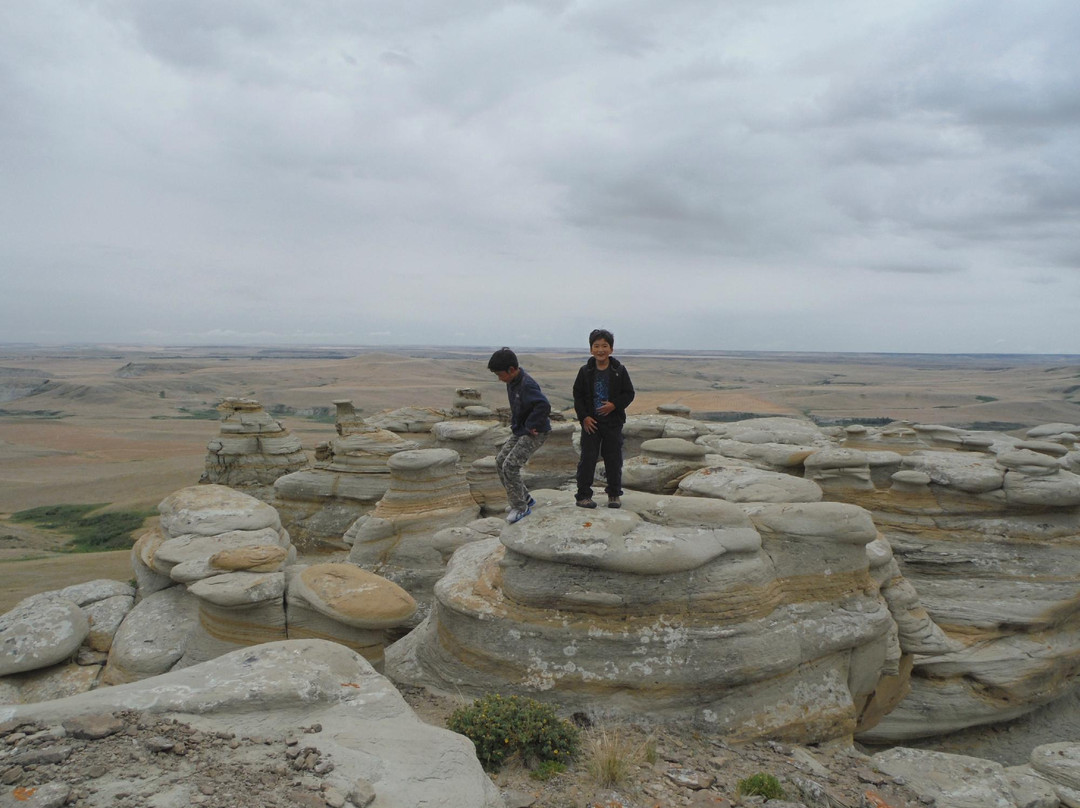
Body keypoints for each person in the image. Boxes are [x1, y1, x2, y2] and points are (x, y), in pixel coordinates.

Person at [487, 347, 551, 523]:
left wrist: (531, 425)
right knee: (500, 461)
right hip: (521, 430)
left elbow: (544, 405)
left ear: (512, 369)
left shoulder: (526, 384)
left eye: (500, 374)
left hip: (535, 432)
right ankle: (524, 498)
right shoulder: (512, 381)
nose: (499, 378)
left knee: (510, 466)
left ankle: (520, 507)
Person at [573, 328, 635, 509]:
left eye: (604, 346)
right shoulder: (585, 371)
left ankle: (614, 494)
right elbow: (578, 396)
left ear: (611, 349)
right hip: (591, 423)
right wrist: (584, 417)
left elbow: (629, 393)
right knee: (588, 458)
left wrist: (614, 405)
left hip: (613, 422)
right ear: (591, 349)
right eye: (596, 346)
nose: (601, 350)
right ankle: (583, 496)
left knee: (613, 458)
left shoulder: (619, 370)